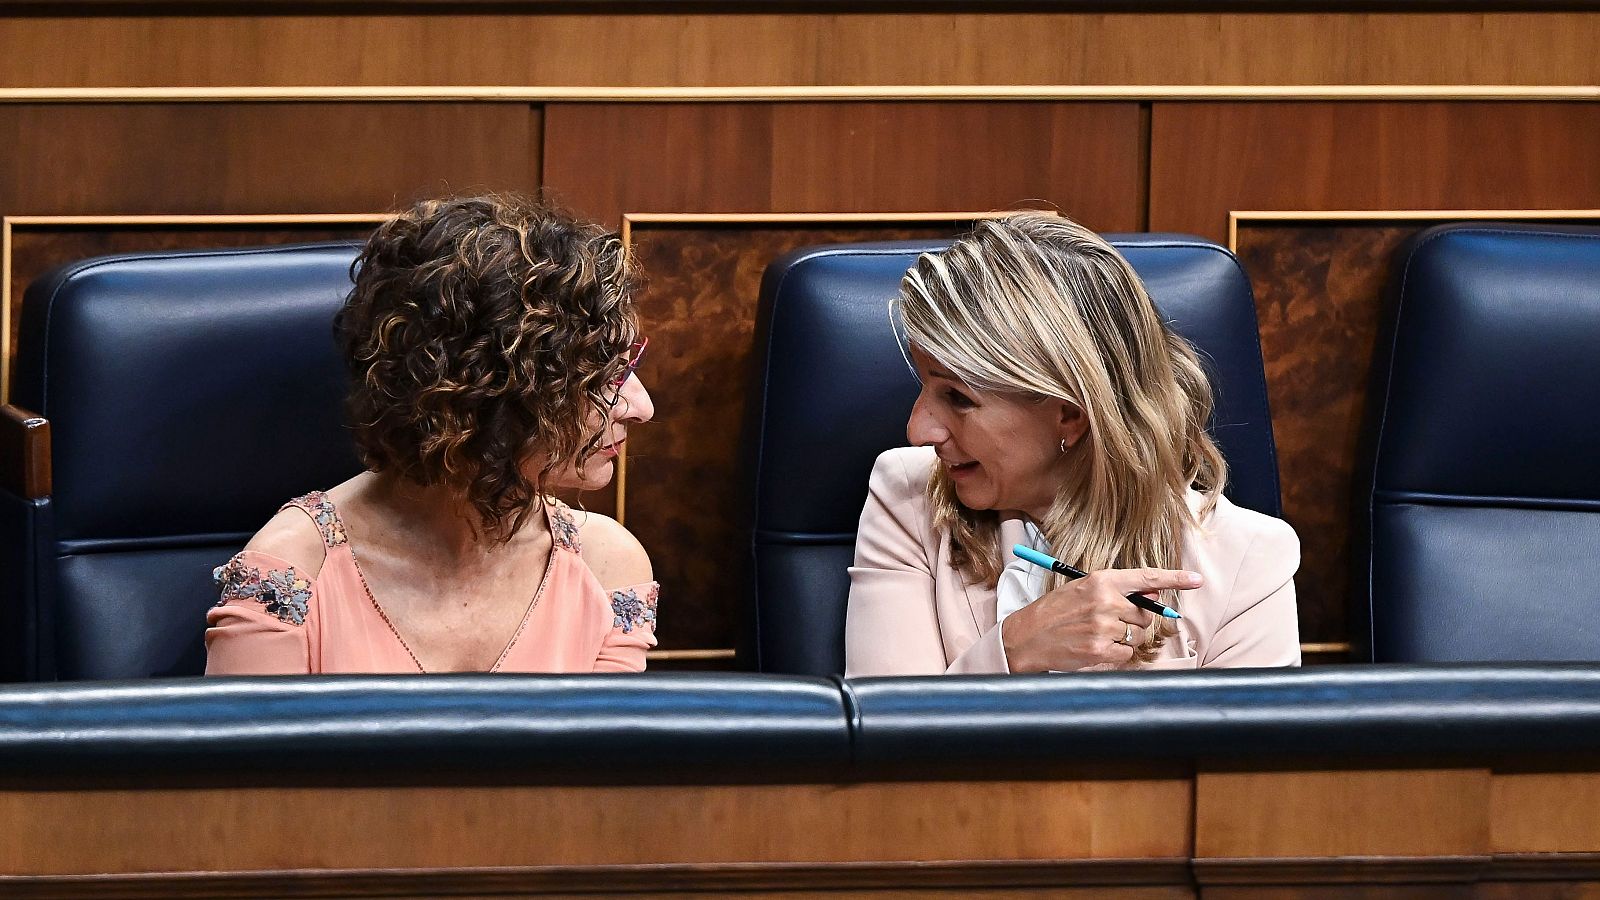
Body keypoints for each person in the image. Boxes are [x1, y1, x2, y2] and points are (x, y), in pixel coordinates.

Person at [206, 195, 658, 674]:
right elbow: (250, 750)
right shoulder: (292, 569)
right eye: (600, 376)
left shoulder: (607, 567)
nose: (641, 408)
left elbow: (604, 751)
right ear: (483, 394)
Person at [844, 213, 1300, 676]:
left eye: (958, 398)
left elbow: (1243, 749)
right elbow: (886, 734)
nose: (918, 431)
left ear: (1070, 415)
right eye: (923, 387)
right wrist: (1014, 650)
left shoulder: (1250, 561)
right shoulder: (906, 498)